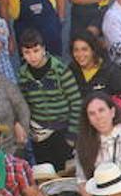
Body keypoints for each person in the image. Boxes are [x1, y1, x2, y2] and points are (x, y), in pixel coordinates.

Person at [16, 31, 82, 171]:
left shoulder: (60, 70)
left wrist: (72, 134)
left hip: (62, 131)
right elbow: (24, 104)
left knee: (65, 172)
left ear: (44, 49)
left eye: (36, 51)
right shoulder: (23, 75)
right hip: (39, 134)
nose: (32, 56)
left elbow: (76, 102)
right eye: (27, 52)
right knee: (45, 172)